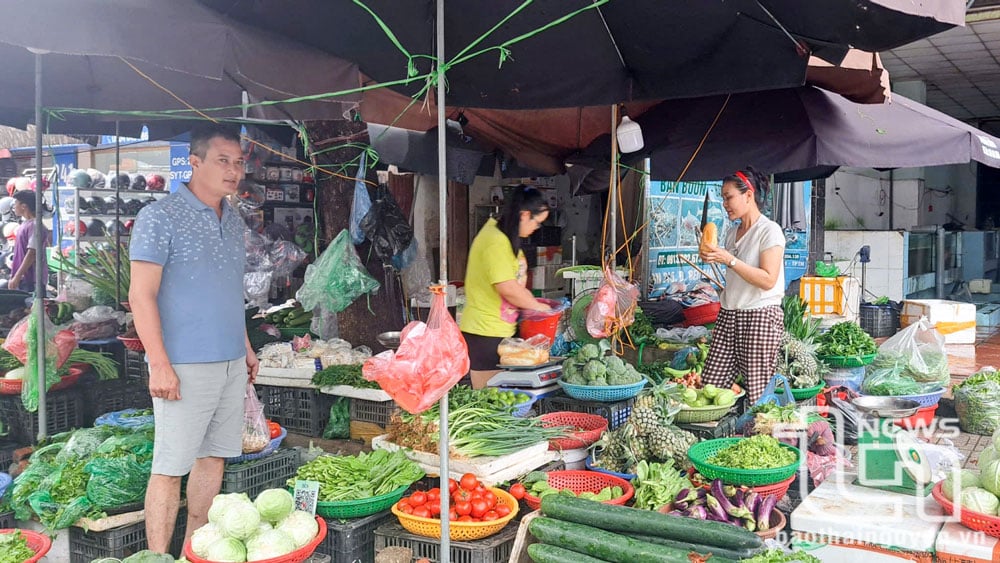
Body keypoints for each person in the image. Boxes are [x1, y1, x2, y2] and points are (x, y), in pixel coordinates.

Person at [129, 124, 259, 553]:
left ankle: (193, 550)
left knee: (213, 460)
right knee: (169, 467)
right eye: (223, 161)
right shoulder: (159, 216)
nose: (234, 170)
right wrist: (159, 362)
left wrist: (244, 346)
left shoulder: (234, 219)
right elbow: (140, 294)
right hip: (183, 363)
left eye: (239, 162)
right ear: (195, 162)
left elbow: (229, 290)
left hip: (228, 360)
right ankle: (155, 557)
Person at [699, 167, 786, 404]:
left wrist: (729, 259)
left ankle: (758, 437)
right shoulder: (730, 233)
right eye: (723, 198)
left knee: (758, 394)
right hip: (729, 315)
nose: (725, 203)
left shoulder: (769, 231)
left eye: (729, 197)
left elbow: (768, 279)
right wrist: (713, 257)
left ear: (748, 195)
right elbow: (735, 276)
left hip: (759, 316)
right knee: (710, 387)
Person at [460, 186, 552, 388]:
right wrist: (539, 308)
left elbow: (515, 282)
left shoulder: (504, 237)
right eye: (537, 223)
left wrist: (532, 302)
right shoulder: (494, 241)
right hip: (485, 333)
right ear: (525, 215)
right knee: (489, 401)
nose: (536, 228)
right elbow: (508, 288)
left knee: (504, 400)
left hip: (501, 330)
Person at [8, 190, 48, 293]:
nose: (14, 206)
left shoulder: (35, 225)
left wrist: (17, 276)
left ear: (23, 206)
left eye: (16, 203)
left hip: (31, 280)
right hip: (24, 278)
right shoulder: (25, 224)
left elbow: (32, 253)